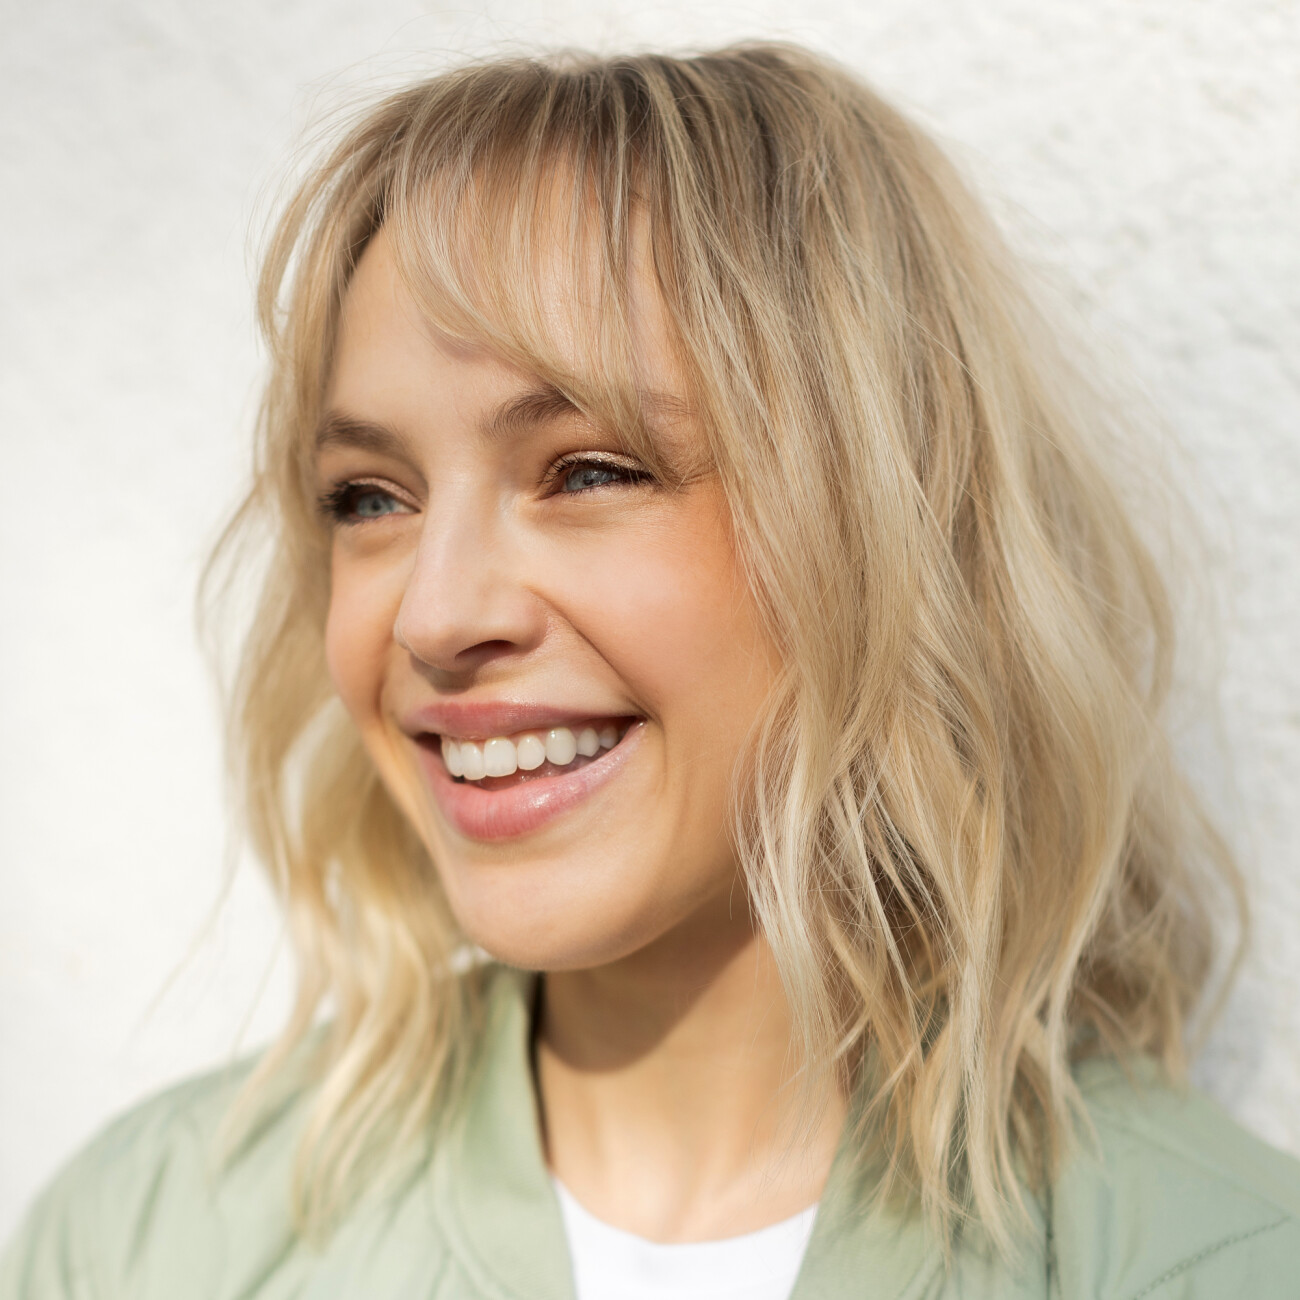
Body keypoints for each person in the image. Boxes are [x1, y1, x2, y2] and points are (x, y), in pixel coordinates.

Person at [3, 41, 1298, 1300]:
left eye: (589, 471)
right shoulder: (145, 1245)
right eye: (370, 497)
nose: (435, 616)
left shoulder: (1213, 1263)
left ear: (888, 528)